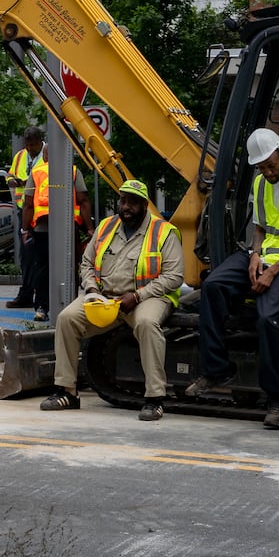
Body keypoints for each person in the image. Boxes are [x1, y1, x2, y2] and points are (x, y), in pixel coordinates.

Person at [184, 127, 279, 429]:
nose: (268, 171)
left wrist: (272, 271)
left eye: (270, 165)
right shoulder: (260, 183)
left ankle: (277, 401)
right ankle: (216, 369)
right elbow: (259, 227)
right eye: (261, 167)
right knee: (214, 285)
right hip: (265, 254)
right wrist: (256, 256)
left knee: (268, 318)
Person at [39, 179, 183, 421]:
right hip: (105, 299)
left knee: (148, 324)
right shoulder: (105, 227)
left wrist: (138, 295)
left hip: (146, 297)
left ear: (145, 205)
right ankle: (67, 391)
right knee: (67, 319)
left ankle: (154, 398)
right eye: (123, 201)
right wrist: (92, 289)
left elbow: (175, 276)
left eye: (133, 202)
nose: (126, 207)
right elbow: (86, 263)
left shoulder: (164, 232)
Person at [25, 153, 91, 322]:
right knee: (70, 266)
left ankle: (41, 307)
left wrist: (24, 230)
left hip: (42, 227)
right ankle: (71, 306)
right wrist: (89, 229)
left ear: (45, 156)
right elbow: (83, 201)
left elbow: (28, 204)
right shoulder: (73, 171)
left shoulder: (36, 172)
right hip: (68, 227)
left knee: (42, 268)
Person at [4, 127, 45, 309]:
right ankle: (27, 294)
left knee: (42, 255)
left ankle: (42, 296)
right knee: (26, 255)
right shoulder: (20, 156)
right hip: (25, 210)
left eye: (33, 145)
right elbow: (10, 175)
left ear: (40, 141)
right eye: (27, 145)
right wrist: (12, 182)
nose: (29, 148)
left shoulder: (49, 154)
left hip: (43, 212)